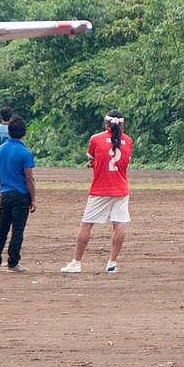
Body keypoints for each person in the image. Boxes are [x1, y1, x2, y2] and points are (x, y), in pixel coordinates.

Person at [61, 109, 131, 274]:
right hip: (120, 188)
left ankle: (76, 262)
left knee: (87, 224)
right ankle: (112, 263)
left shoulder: (96, 139)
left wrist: (94, 164)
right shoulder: (128, 141)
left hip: (100, 188)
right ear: (122, 124)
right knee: (119, 225)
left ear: (105, 122)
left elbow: (92, 160)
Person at [0, 115, 36, 272]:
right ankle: (13, 262)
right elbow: (29, 178)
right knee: (17, 230)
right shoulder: (25, 153)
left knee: (2, 229)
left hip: (5, 194)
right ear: (24, 133)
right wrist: (34, 199)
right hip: (21, 195)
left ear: (9, 132)